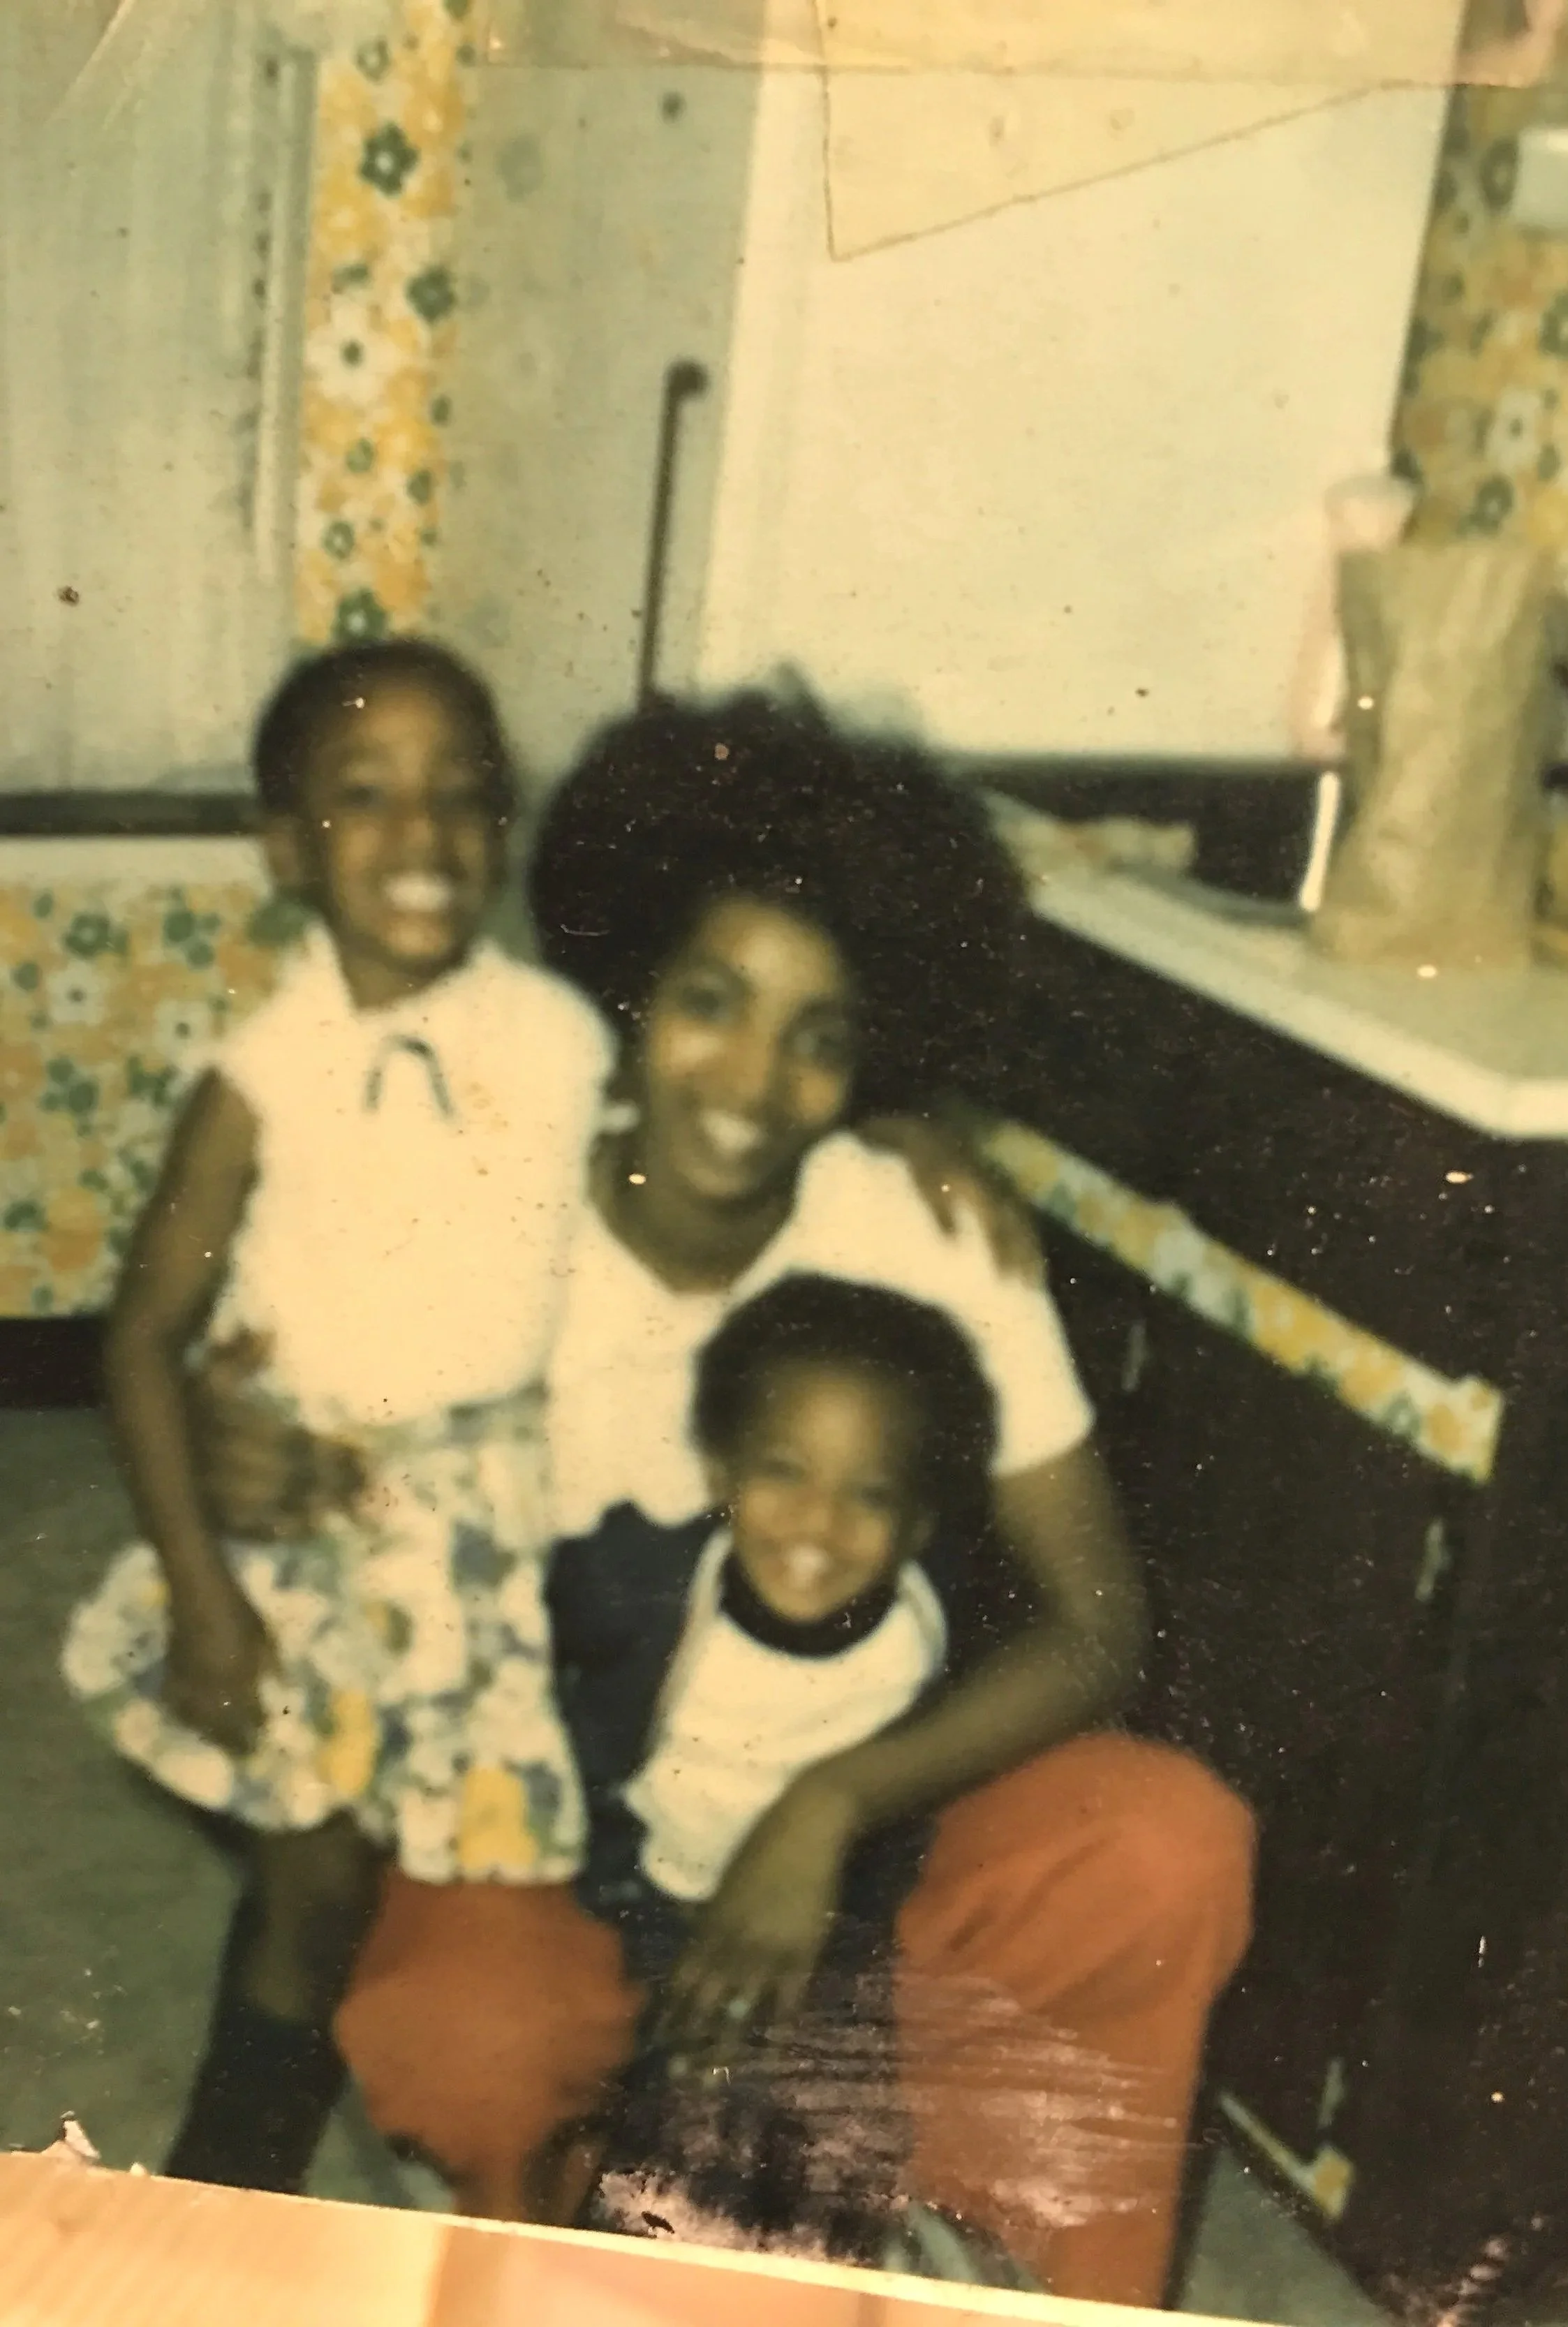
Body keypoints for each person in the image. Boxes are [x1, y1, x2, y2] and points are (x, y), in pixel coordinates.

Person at [192, 685, 1257, 2305]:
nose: (750, 1080)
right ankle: (577, 2203)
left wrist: (823, 1809)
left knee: (1166, 1842)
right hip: (546, 1825)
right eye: (709, 1000)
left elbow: (1102, 1621)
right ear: (625, 985)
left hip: (853, 1822)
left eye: (820, 1037)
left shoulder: (914, 1224)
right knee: (476, 2041)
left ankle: (1030, 2244)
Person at [61, 640, 613, 2194]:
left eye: (457, 798)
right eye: (361, 798)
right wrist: (201, 1591)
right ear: (288, 845)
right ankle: (225, 2185)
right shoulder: (262, 1072)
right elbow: (142, 1336)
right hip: (312, 1521)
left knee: (408, 1864)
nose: (418, 837)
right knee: (313, 1882)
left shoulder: (564, 1041)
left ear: (500, 830)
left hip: (487, 1534)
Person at [559, 1271, 999, 2261]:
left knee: (829, 2131)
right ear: (720, 1472)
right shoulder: (655, 1591)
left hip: (821, 1934)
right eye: (784, 1473)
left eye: (869, 1496)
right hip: (642, 1900)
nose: (817, 1525)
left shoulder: (924, 1632)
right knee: (651, 2113)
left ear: (921, 1526)